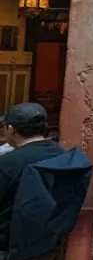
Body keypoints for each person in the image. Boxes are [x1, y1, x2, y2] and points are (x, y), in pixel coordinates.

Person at [0, 103, 66, 249]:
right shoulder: (62, 154)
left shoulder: (7, 163)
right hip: (47, 239)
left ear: (10, 130)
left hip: (9, 242)